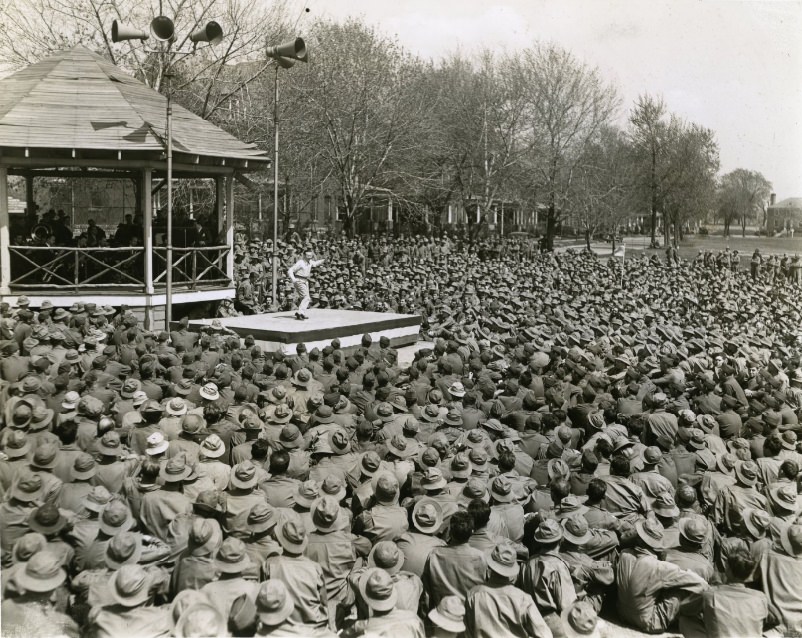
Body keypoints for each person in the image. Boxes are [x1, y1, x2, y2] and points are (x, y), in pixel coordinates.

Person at [288, 249, 325, 320]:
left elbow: (315, 263)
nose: (309, 257)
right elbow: (290, 270)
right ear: (304, 256)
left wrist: (323, 260)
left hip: (305, 280)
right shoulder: (300, 262)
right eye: (308, 256)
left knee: (305, 298)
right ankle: (300, 313)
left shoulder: (310, 262)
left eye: (310, 256)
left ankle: (302, 313)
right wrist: (293, 279)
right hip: (299, 280)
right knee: (306, 297)